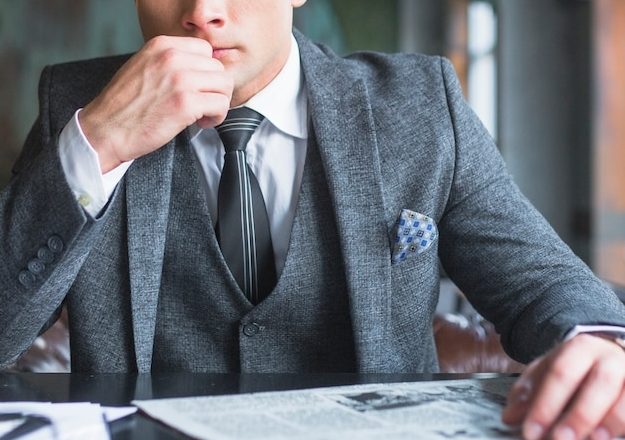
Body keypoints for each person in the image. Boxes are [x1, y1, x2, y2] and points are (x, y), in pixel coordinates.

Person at [1, 0, 624, 438]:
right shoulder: (78, 107)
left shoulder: (421, 105)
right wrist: (97, 145)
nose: (203, 11)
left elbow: (542, 283)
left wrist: (599, 346)